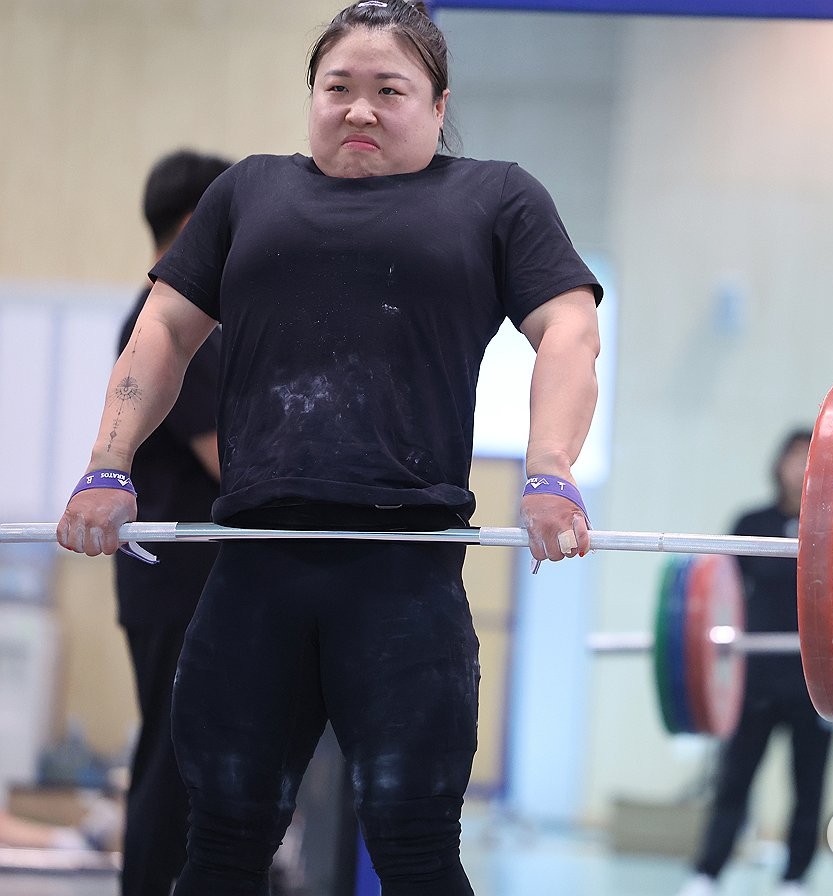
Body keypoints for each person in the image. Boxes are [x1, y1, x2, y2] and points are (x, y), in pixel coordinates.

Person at [55, 2, 602, 894]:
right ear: (311, 96)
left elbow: (570, 329)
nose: (359, 109)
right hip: (255, 567)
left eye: (390, 90)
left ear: (436, 103)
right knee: (222, 841)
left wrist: (550, 468)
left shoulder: (495, 196)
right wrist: (107, 465)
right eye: (337, 88)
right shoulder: (248, 192)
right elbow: (163, 328)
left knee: (416, 845)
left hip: (404, 570)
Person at [114, 148, 231, 896]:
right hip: (176, 581)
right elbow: (230, 462)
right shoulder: (173, 321)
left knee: (191, 756)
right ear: (195, 225)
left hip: (182, 584)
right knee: (174, 758)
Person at [677, 430, 833, 896]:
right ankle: (708, 872)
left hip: (816, 682)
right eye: (795, 457)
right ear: (779, 464)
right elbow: (718, 596)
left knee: (809, 785)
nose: (801, 467)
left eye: (812, 459)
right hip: (755, 678)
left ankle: (795, 878)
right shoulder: (751, 521)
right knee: (735, 780)